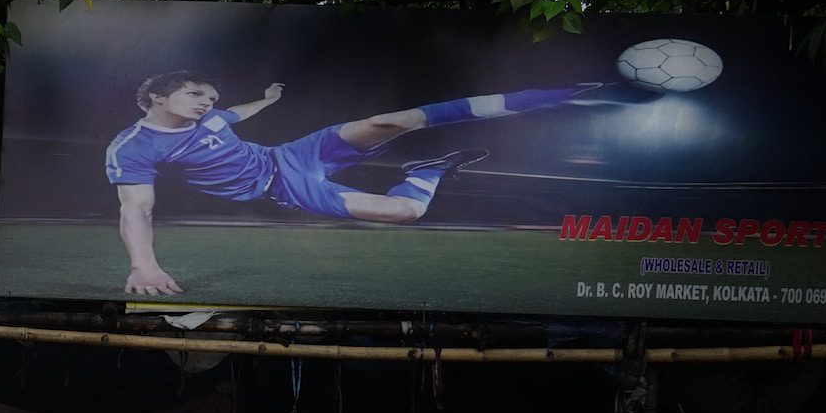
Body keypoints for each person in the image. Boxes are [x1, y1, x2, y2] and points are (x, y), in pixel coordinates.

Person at [109, 71, 627, 296]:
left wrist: (266, 100)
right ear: (157, 97)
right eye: (196, 95)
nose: (207, 103)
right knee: (408, 212)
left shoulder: (211, 117)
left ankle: (559, 94)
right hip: (282, 190)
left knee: (390, 121)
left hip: (289, 156)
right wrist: (143, 265)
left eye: (209, 97)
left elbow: (236, 113)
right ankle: (427, 172)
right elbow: (136, 209)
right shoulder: (133, 147)